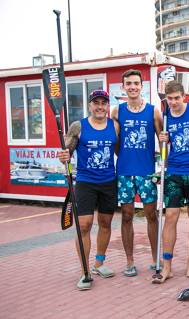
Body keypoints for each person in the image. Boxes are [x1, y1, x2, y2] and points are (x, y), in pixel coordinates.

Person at [58, 90, 120, 290]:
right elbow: (66, 151)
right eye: (96, 103)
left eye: (103, 103)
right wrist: (64, 156)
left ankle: (99, 263)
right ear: (90, 105)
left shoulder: (114, 126)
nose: (100, 106)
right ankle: (85, 271)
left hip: (109, 181)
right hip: (86, 182)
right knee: (84, 225)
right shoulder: (78, 126)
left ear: (107, 105)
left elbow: (119, 150)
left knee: (105, 223)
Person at [110, 69, 162, 277]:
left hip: (147, 171)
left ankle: (155, 258)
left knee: (152, 215)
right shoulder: (117, 111)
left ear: (142, 86)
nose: (132, 87)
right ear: (124, 87)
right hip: (124, 171)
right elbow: (115, 143)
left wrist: (161, 165)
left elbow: (162, 139)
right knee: (126, 216)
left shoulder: (153, 111)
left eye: (136, 83)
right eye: (128, 83)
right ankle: (130, 261)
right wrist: (125, 156)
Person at [157, 81, 189, 282]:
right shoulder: (166, 116)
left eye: (177, 98)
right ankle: (167, 265)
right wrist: (163, 139)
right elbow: (164, 144)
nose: (173, 102)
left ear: (184, 96)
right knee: (170, 217)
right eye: (169, 99)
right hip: (174, 172)